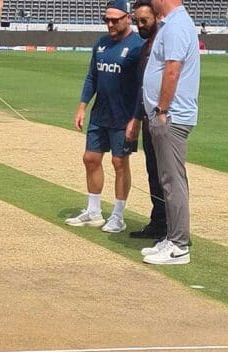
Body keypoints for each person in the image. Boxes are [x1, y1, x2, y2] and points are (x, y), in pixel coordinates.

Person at [67, 0, 144, 233]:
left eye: (114, 20)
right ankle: (93, 211)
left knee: (119, 163)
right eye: (106, 19)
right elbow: (92, 77)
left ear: (127, 18)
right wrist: (82, 106)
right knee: (90, 158)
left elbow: (143, 85)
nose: (109, 24)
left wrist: (136, 117)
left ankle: (118, 215)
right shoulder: (100, 44)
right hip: (100, 114)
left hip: (124, 116)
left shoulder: (138, 46)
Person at [140, 0, 200, 265]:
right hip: (169, 114)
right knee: (169, 179)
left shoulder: (176, 26)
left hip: (171, 116)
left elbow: (172, 71)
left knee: (172, 181)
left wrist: (161, 109)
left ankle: (178, 245)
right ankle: (173, 238)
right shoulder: (171, 24)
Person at [125, 0, 166, 240]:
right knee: (153, 172)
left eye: (144, 20)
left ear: (156, 19)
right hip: (148, 118)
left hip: (161, 119)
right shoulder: (145, 47)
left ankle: (173, 228)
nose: (140, 25)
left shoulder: (160, 46)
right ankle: (159, 222)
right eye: (137, 21)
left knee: (166, 175)